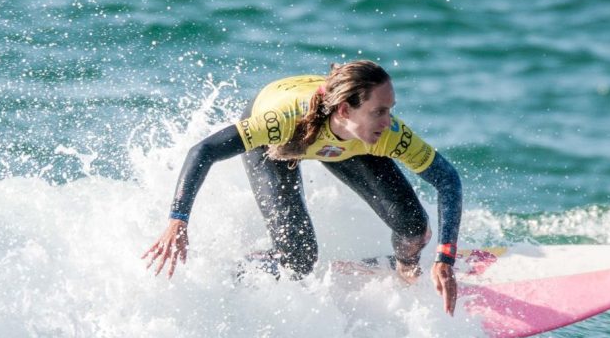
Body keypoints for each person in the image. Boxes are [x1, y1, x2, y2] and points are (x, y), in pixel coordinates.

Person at [143, 59, 462, 314]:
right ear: (344, 109)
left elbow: (447, 180)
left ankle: (405, 271)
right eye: (379, 111)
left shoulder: (383, 132)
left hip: (347, 140)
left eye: (390, 109)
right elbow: (203, 151)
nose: (389, 121)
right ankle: (239, 272)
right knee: (299, 256)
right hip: (282, 143)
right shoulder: (280, 120)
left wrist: (445, 258)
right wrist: (177, 220)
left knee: (416, 228)